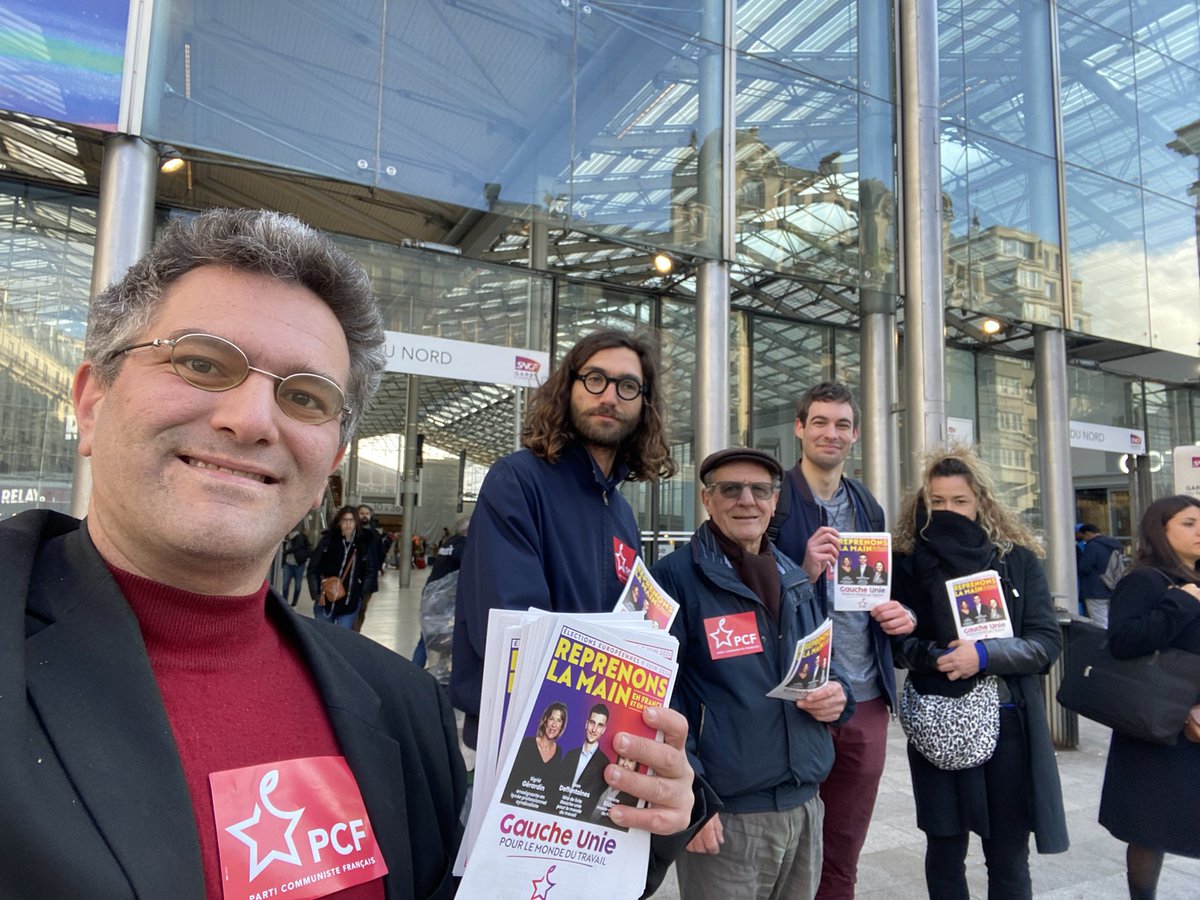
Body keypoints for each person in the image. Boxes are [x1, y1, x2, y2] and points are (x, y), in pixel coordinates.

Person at [0, 208, 697, 898]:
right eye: (202, 362)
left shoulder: (399, 711)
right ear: (92, 402)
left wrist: (637, 822)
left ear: (330, 459)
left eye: (304, 396)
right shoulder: (523, 480)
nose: (248, 420)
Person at [452, 329, 676, 749]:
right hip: (524, 735)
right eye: (595, 379)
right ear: (568, 386)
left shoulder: (621, 513)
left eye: (627, 386)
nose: (609, 396)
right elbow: (511, 629)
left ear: (643, 404)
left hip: (596, 737)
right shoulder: (518, 481)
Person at [654, 447, 853, 899]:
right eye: (730, 489)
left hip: (804, 806)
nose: (747, 500)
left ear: (773, 500)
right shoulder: (674, 578)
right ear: (707, 499)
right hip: (728, 817)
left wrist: (840, 696)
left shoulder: (794, 576)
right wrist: (695, 803)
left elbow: (824, 661)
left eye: (760, 490)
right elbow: (658, 698)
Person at [891, 446, 1068, 899]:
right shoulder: (908, 561)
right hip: (938, 719)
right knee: (945, 847)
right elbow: (897, 645)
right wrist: (937, 656)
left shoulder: (1016, 561)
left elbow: (1046, 644)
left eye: (960, 501)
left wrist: (985, 656)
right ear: (924, 504)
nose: (948, 511)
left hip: (1008, 722)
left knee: (1008, 854)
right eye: (938, 502)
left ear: (981, 503)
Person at [771, 382, 915, 900]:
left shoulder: (867, 507)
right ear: (799, 428)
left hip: (867, 696)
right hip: (798, 697)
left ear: (854, 435)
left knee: (844, 850)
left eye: (842, 424)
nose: (831, 433)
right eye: (820, 422)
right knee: (783, 845)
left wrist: (900, 613)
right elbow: (749, 599)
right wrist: (803, 571)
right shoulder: (773, 500)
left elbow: (882, 592)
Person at [1098, 495, 1200, 900]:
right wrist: (1181, 602)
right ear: (1162, 529)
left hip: (1194, 722)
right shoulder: (1144, 580)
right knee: (1149, 827)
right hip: (1157, 725)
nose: (1199, 531)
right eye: (1189, 523)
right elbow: (1123, 642)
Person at [418, 513, 471, 684]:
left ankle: (413, 669)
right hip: (446, 604)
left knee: (428, 637)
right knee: (447, 640)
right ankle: (446, 677)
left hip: (430, 600)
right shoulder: (464, 546)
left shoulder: (449, 542)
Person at [307, 505, 378, 629]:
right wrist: (315, 593)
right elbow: (313, 568)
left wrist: (360, 595)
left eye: (351, 520)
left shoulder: (362, 544)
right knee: (324, 638)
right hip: (325, 601)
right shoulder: (328, 541)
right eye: (345, 520)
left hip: (349, 603)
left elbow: (369, 572)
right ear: (339, 522)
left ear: (356, 523)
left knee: (341, 638)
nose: (348, 524)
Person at [504, 702, 569, 813]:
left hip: (538, 814)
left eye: (559, 721)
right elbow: (511, 780)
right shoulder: (527, 744)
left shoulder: (559, 752)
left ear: (562, 726)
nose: (554, 725)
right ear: (545, 720)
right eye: (551, 719)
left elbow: (552, 789)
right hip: (515, 806)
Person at [557, 703, 611, 819]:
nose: (594, 729)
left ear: (604, 730)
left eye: (600, 725)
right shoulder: (570, 755)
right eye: (592, 723)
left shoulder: (605, 765)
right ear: (586, 724)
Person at [1077, 522, 1124, 628]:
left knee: (1099, 622)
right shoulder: (1113, 545)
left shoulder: (1093, 546)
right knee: (1109, 619)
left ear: (1088, 533)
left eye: (1083, 537)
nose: (1083, 540)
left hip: (1095, 589)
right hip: (1111, 587)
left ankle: (1104, 644)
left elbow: (1084, 567)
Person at [352, 503, 384, 631]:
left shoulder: (376, 534)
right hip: (353, 577)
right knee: (353, 608)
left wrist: (375, 568)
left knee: (362, 608)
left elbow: (381, 553)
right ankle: (352, 634)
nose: (365, 516)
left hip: (369, 579)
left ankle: (357, 632)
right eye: (362, 513)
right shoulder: (352, 532)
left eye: (367, 514)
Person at [280, 522, 310, 606]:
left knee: (297, 586)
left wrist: (285, 552)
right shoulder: (286, 538)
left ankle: (294, 603)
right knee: (285, 585)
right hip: (288, 565)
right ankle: (284, 603)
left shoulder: (299, 537)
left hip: (298, 565)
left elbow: (295, 548)